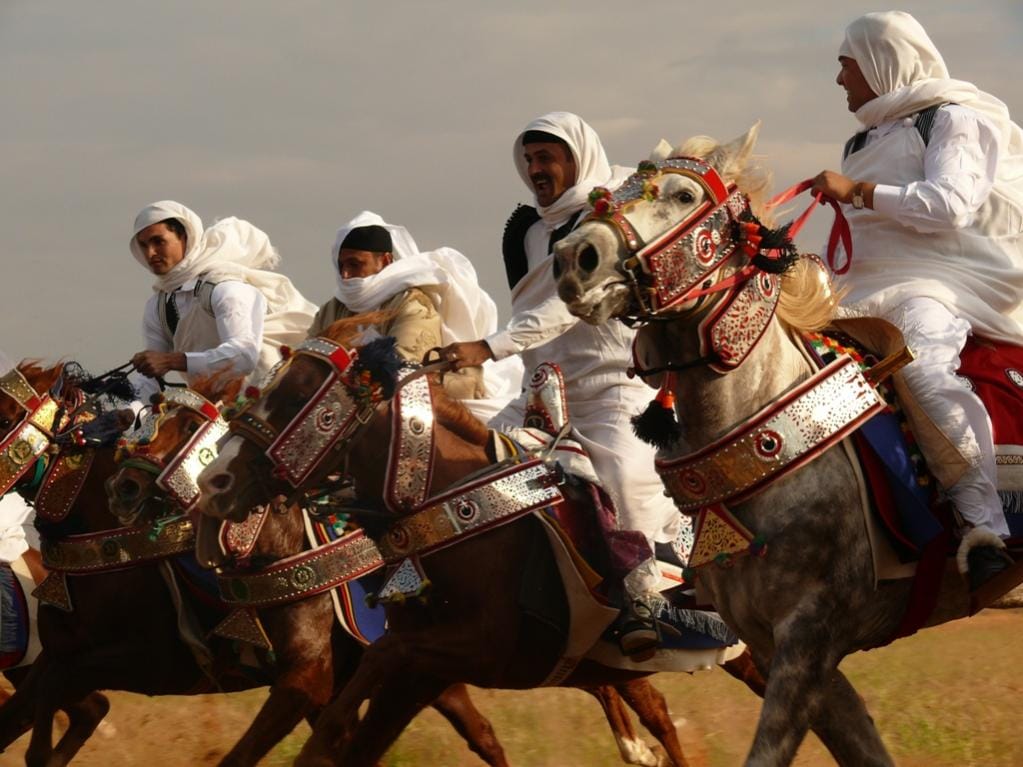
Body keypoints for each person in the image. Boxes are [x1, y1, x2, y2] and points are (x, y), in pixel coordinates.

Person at [440, 111, 686, 655]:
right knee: (462, 467)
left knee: (625, 477)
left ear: (578, 157)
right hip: (541, 396)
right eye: (528, 160)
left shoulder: (614, 217)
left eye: (546, 157)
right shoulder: (524, 230)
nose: (535, 170)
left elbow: (566, 306)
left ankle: (648, 602)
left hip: (614, 390)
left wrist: (487, 348)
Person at [812, 11, 1023, 588]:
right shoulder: (864, 137)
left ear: (883, 63)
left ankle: (985, 528)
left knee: (924, 371)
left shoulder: (953, 118)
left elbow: (950, 205)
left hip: (937, 280)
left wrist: (857, 190)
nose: (839, 82)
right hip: (860, 289)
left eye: (846, 66)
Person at [308, 210, 515, 403]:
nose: (345, 275)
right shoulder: (332, 310)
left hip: (411, 401)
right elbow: (309, 360)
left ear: (385, 261)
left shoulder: (411, 302)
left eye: (355, 264)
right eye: (342, 265)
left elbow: (403, 367)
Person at [129, 201, 316, 402]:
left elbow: (243, 356)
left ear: (184, 236)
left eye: (158, 241)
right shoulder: (157, 306)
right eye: (144, 245)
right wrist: (133, 411)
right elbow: (151, 376)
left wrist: (173, 361)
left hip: (270, 402)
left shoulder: (225, 288)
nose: (150, 253)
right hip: (213, 408)